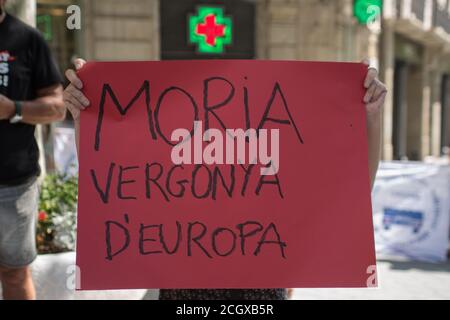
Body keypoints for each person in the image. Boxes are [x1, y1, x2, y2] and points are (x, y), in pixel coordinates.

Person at [64, 58, 387, 300]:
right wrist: (87, 116)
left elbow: (352, 191)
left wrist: (371, 116)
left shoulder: (282, 167)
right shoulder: (172, 171)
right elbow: (108, 181)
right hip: (184, 297)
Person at [0, 1, 65, 300]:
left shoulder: (27, 39)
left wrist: (13, 109)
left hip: (13, 185)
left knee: (14, 273)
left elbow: (56, 107)